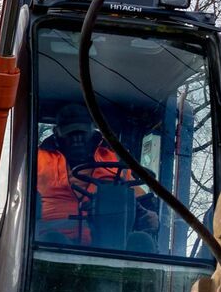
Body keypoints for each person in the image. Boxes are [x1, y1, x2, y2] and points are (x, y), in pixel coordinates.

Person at [35, 103, 155, 245]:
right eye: (70, 133)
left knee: (142, 241)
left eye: (82, 132)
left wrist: (149, 216)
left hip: (108, 246)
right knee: (53, 241)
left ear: (92, 130)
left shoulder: (115, 160)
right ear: (57, 132)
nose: (77, 139)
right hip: (48, 247)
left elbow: (139, 200)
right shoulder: (37, 159)